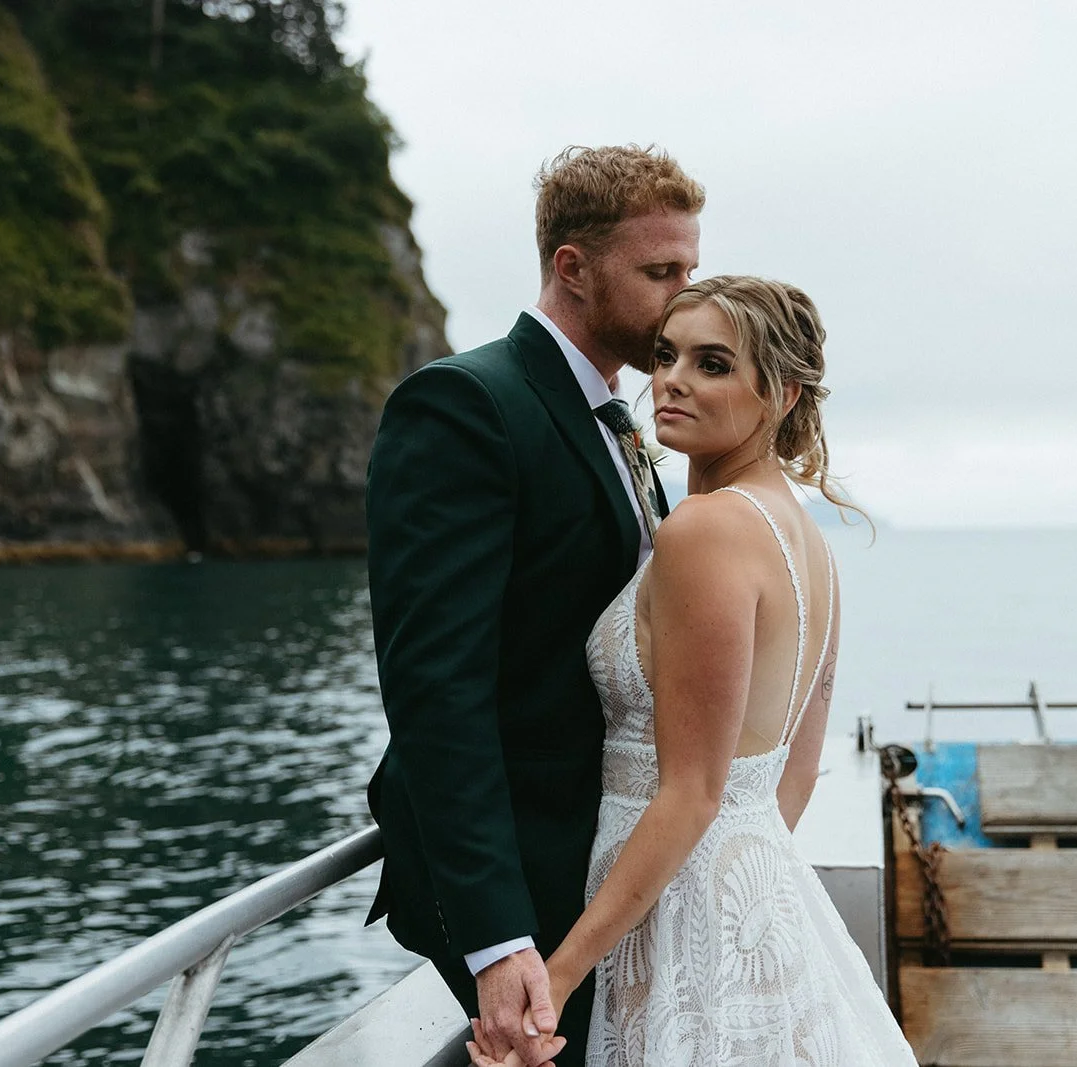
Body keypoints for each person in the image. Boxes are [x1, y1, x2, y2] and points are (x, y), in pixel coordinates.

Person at [468, 276, 918, 1066]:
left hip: (678, 916)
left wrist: (558, 982)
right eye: (668, 355)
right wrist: (744, 908)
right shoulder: (806, 541)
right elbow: (794, 775)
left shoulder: (705, 530)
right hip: (757, 904)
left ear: (781, 393)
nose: (672, 378)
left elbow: (692, 792)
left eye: (713, 363)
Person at [364, 145, 704, 1067]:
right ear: (573, 268)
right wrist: (496, 935)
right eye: (660, 271)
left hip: (601, 847)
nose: (683, 295)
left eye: (690, 269)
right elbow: (437, 684)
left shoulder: (622, 420)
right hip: (519, 864)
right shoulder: (466, 404)